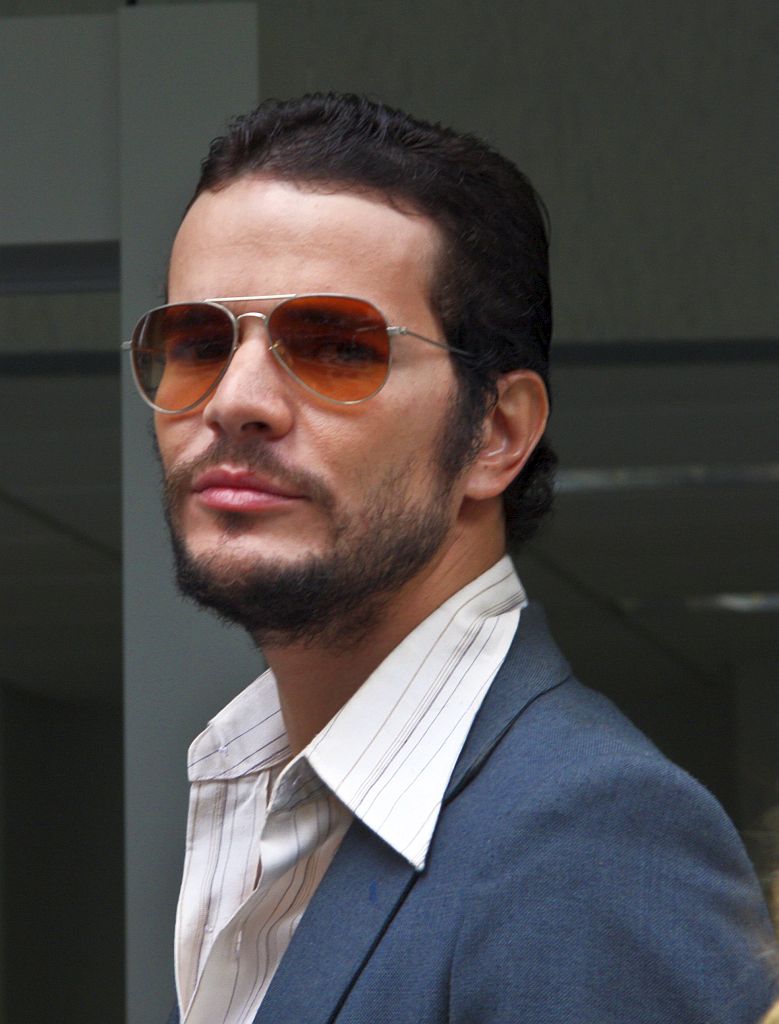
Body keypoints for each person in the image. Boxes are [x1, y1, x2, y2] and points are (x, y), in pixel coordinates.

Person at [126, 93, 777, 1024]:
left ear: (494, 435)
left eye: (335, 347)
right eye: (196, 344)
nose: (235, 401)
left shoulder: (593, 838)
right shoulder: (254, 795)